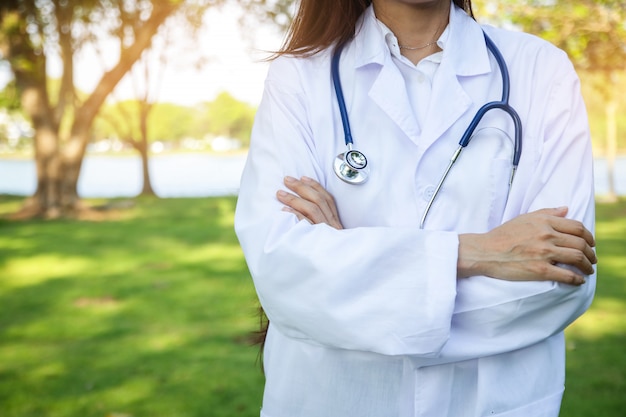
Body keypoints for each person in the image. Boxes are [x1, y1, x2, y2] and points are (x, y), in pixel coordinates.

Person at [234, 0, 597, 416]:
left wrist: (348, 271)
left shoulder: (541, 71)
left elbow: (563, 274)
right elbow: (285, 271)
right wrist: (480, 252)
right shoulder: (299, 76)